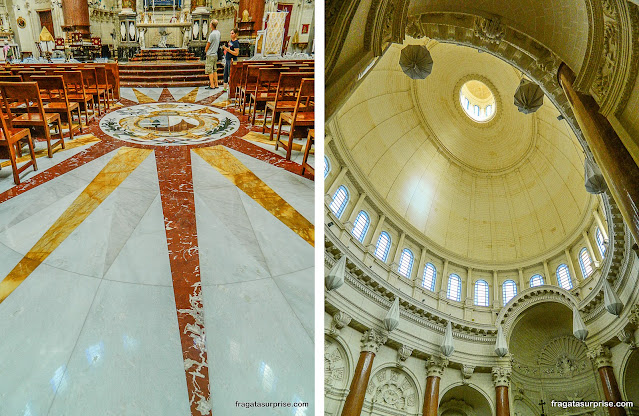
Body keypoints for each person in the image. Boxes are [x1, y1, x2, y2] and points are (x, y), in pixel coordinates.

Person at [204, 19, 221, 89]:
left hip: (210, 54)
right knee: (215, 69)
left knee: (209, 70)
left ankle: (212, 85)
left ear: (211, 25)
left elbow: (208, 43)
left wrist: (205, 50)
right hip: (215, 54)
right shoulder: (218, 33)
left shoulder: (212, 34)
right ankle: (216, 84)